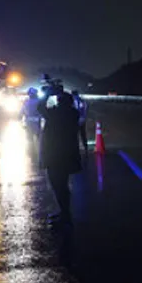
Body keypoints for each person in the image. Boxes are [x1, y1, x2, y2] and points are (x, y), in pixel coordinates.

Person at [40, 90, 83, 225]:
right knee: (63, 185)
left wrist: (48, 93)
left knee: (57, 185)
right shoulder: (73, 113)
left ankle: (64, 213)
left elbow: (40, 107)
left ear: (59, 102)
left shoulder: (55, 113)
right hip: (68, 154)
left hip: (54, 155)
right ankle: (64, 211)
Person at [71, 90, 90, 157]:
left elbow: (83, 110)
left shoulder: (76, 101)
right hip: (79, 120)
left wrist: (82, 118)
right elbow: (85, 110)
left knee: (79, 134)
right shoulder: (80, 101)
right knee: (81, 134)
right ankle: (84, 148)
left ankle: (83, 148)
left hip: (78, 120)